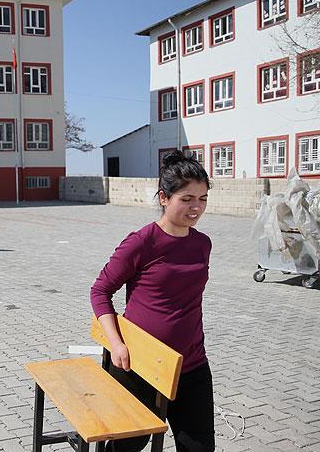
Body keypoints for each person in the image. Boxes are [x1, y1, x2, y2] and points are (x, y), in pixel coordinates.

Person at [90, 150, 215, 452]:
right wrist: (117, 344)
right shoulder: (142, 242)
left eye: (202, 199)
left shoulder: (202, 244)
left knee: (199, 447)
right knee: (128, 446)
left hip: (190, 364)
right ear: (164, 198)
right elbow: (100, 291)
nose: (196, 207)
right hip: (139, 364)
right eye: (187, 199)